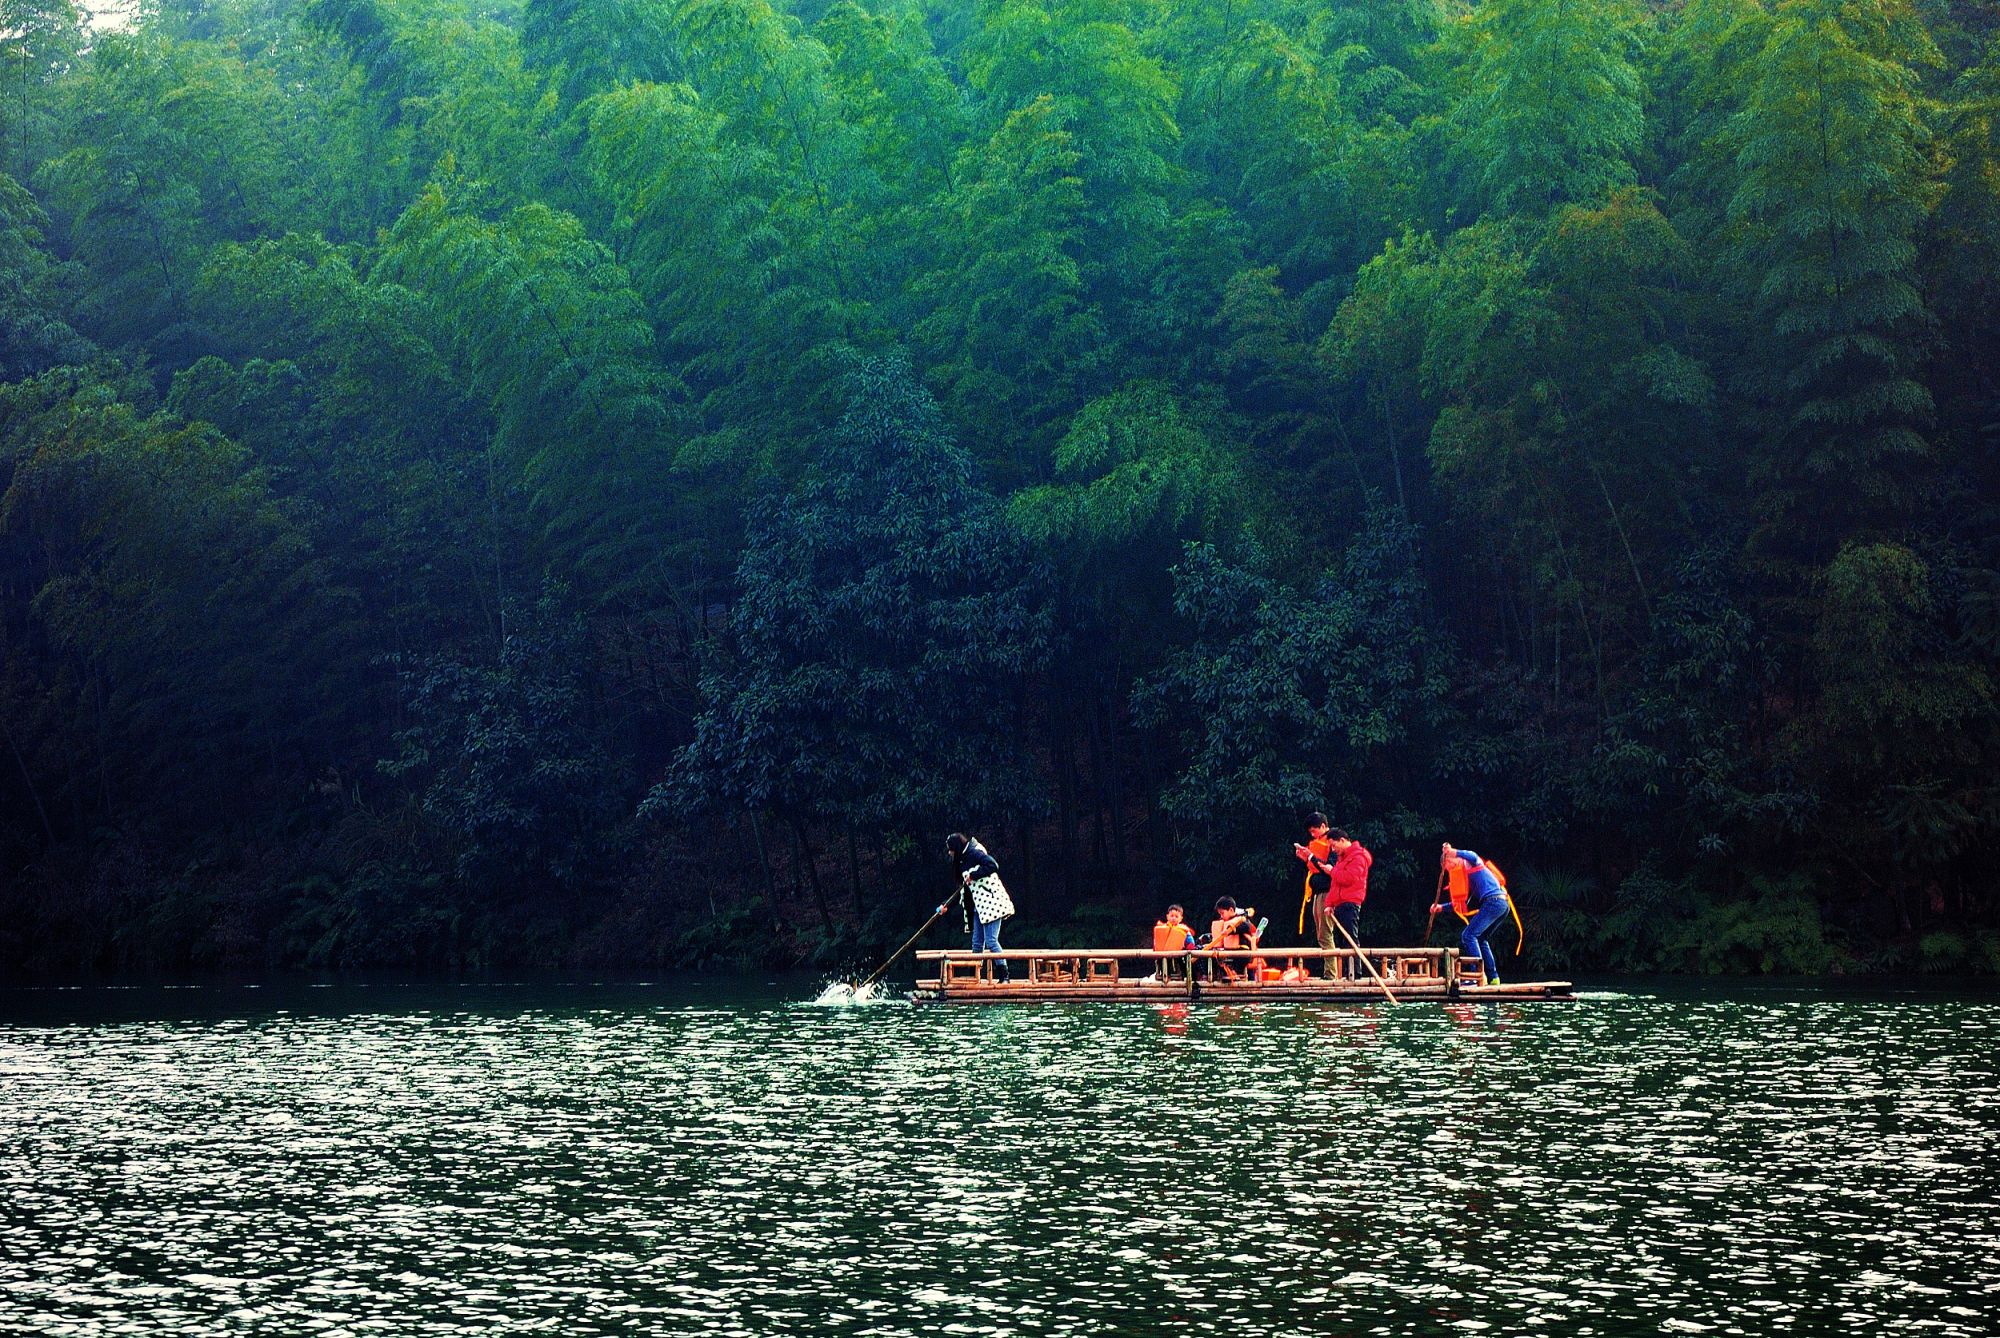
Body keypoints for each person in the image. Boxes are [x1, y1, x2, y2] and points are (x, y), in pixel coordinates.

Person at [1431, 844, 1511, 986]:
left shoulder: (1468, 862)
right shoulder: (1465, 875)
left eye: (1448, 867)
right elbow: (1460, 904)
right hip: (1501, 904)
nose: (1450, 871)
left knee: (1468, 936)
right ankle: (1493, 978)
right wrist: (1440, 908)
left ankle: (1477, 977)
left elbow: (1473, 855)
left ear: (1449, 860)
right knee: (1480, 938)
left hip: (1494, 901)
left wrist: (1453, 851)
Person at [942, 833, 1015, 982]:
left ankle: (1004, 975)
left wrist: (974, 875)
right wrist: (946, 906)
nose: (949, 853)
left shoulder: (975, 852)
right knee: (977, 943)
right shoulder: (962, 860)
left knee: (991, 940)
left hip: (991, 902)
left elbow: (993, 865)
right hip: (978, 907)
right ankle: (974, 976)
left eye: (950, 850)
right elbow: (963, 890)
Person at [1325, 829, 1373, 980]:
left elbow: (1349, 878)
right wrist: (1329, 903)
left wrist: (1332, 871)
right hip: (1339, 903)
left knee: (1350, 937)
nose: (1333, 850)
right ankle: (1348, 973)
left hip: (1351, 902)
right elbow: (1335, 885)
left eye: (1334, 846)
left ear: (1342, 840)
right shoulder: (1342, 858)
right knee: (1342, 939)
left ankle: (1355, 973)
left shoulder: (1359, 856)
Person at [1208, 896, 1263, 982]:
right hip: (1228, 952)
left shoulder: (1241, 919)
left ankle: (1235, 975)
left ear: (1231, 910)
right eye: (1220, 914)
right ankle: (1227, 975)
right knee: (1216, 958)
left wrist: (1231, 930)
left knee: (1241, 960)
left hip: (1243, 951)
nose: (1221, 916)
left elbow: (1246, 927)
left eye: (1222, 913)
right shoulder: (1223, 921)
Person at [1153, 904, 1196, 981]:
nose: (1173, 918)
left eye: (1176, 916)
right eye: (1171, 916)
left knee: (1180, 963)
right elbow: (1157, 940)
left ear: (1181, 918)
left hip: (1178, 955)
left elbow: (1190, 940)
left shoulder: (1182, 929)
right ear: (1167, 916)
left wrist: (1190, 946)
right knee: (1160, 961)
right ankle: (1164, 975)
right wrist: (1155, 947)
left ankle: (1180, 976)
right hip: (1163, 955)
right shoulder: (1162, 928)